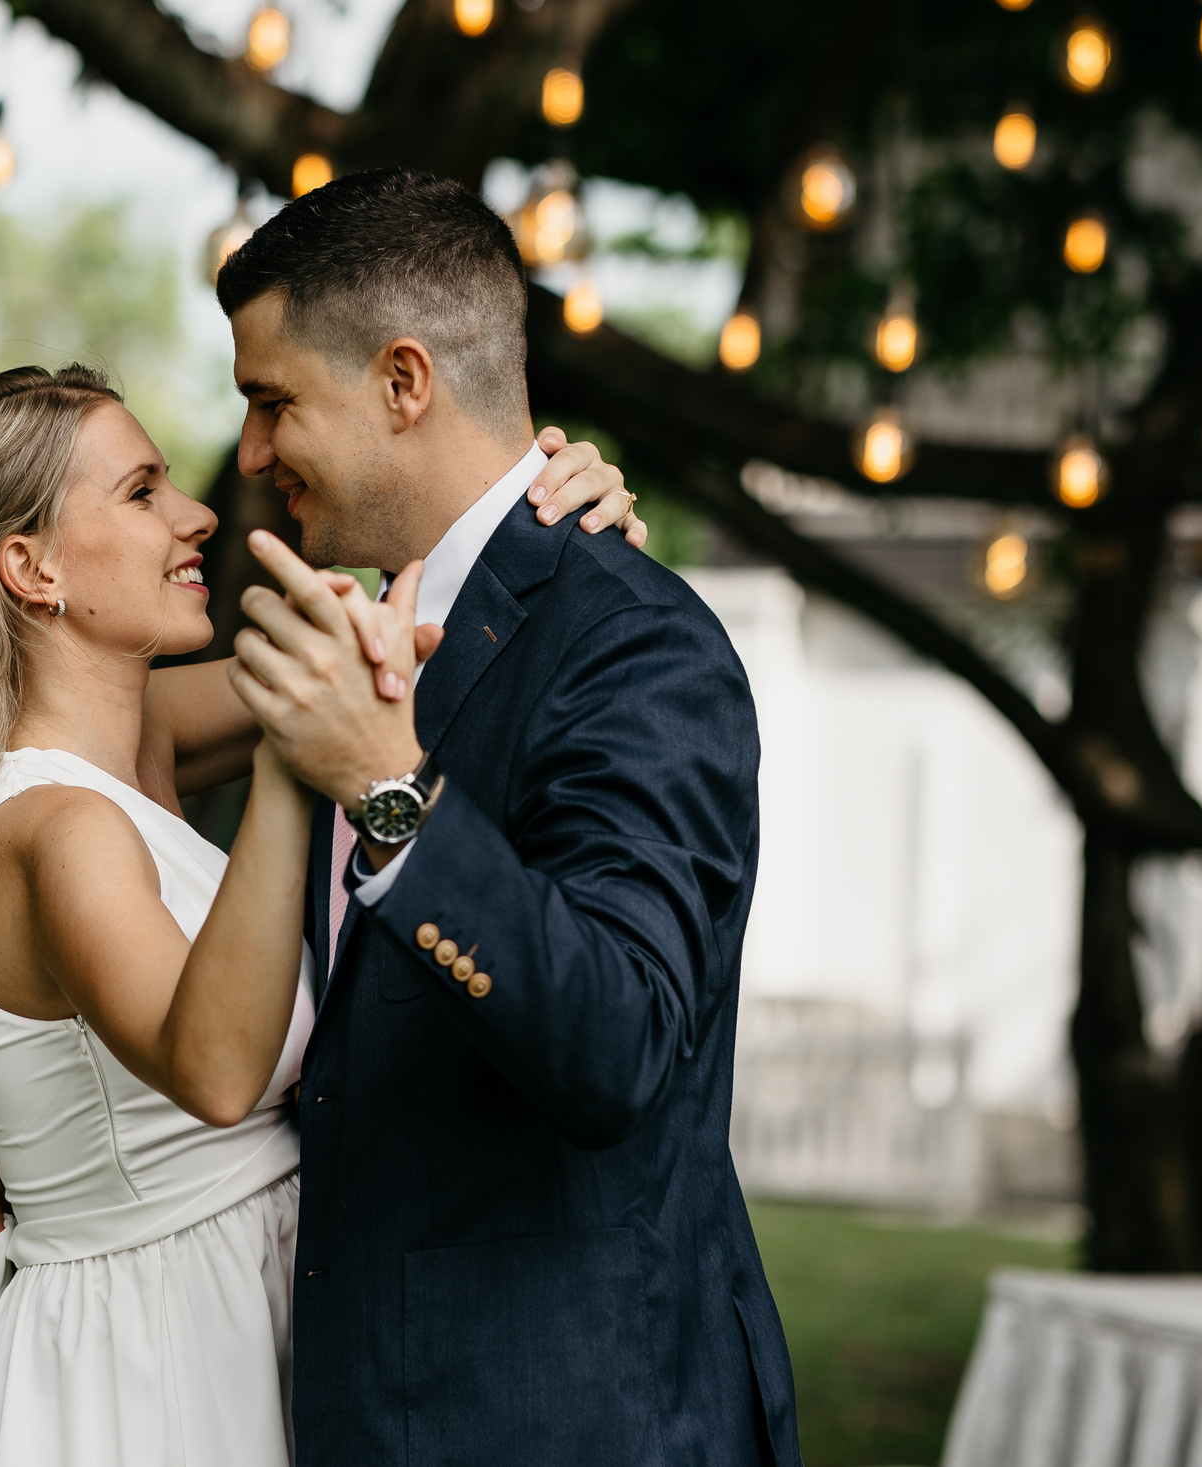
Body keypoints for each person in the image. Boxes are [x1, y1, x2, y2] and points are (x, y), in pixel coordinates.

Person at [0, 364, 644, 1467]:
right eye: (140, 493)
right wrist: (293, 755)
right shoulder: (53, 829)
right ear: (30, 568)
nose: (195, 516)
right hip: (153, 1369)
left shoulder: (139, 739)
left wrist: (546, 503)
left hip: (251, 1308)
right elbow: (218, 1072)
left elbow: (400, 638)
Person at [194, 166, 796, 1466]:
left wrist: (391, 792)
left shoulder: (633, 639)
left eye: (271, 402)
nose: (249, 454)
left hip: (573, 1420)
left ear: (404, 381)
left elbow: (622, 1034)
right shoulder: (361, 644)